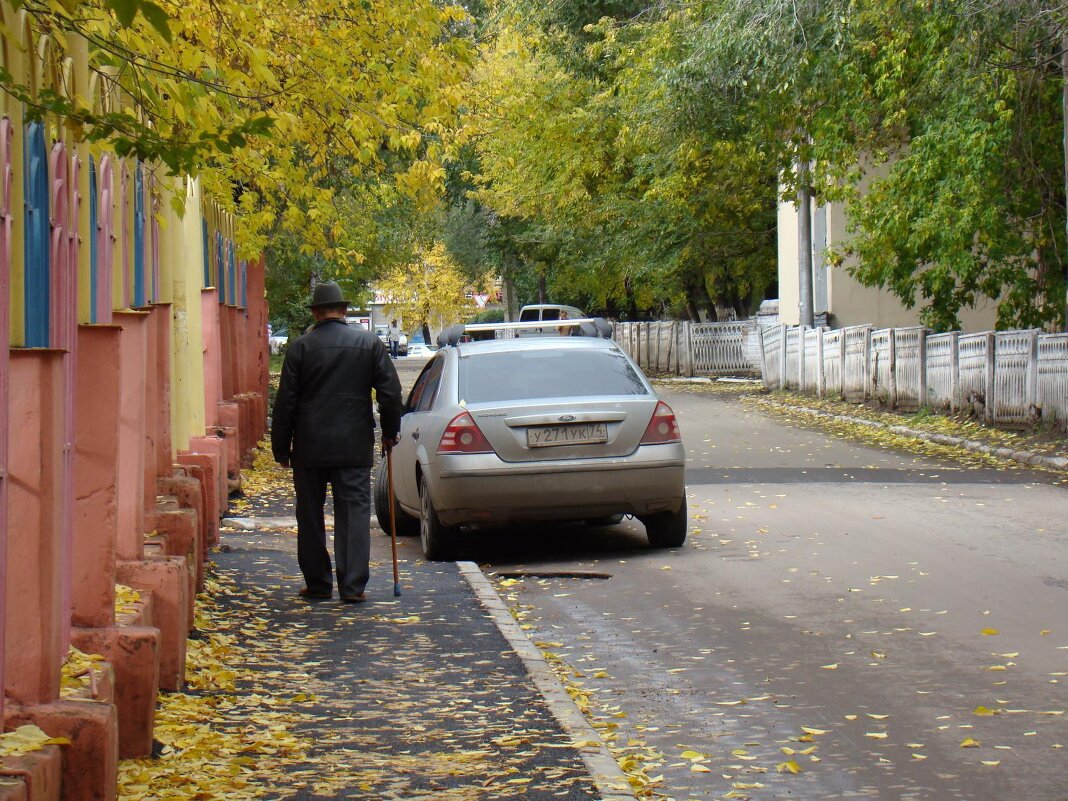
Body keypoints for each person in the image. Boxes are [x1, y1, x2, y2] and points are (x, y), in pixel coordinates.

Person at [271, 282, 402, 603]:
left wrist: (280, 447)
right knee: (354, 513)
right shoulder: (369, 345)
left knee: (310, 515)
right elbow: (390, 394)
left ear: (315, 313)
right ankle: (352, 586)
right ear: (344, 311)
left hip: (309, 446)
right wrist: (389, 432)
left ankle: (317, 584)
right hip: (353, 445)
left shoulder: (300, 348)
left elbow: (285, 402)